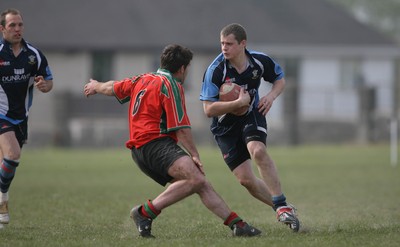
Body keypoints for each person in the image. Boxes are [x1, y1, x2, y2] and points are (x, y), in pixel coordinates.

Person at [84, 44, 261, 238]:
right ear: (183, 68)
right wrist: (194, 154)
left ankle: (238, 225)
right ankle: (144, 213)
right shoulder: (171, 85)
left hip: (139, 151)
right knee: (195, 178)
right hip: (156, 145)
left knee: (199, 182)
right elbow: (181, 128)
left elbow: (112, 87)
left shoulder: (142, 79)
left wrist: (96, 86)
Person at [200, 23, 300, 232]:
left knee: (258, 150)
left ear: (243, 44)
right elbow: (208, 109)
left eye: (229, 44)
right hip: (224, 127)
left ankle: (281, 205)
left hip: (251, 115)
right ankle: (284, 208)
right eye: (222, 43)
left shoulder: (259, 61)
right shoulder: (216, 70)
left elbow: (280, 79)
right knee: (246, 180)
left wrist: (271, 96)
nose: (224, 48)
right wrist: (236, 104)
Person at [0, 9, 53, 226]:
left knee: (6, 162)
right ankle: (3, 197)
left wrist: (43, 85)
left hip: (21, 118)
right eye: (12, 25)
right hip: (1, 115)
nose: (17, 29)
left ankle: (1, 201)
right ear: (2, 29)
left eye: (20, 25)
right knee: (13, 154)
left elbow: (49, 83)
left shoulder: (34, 55)